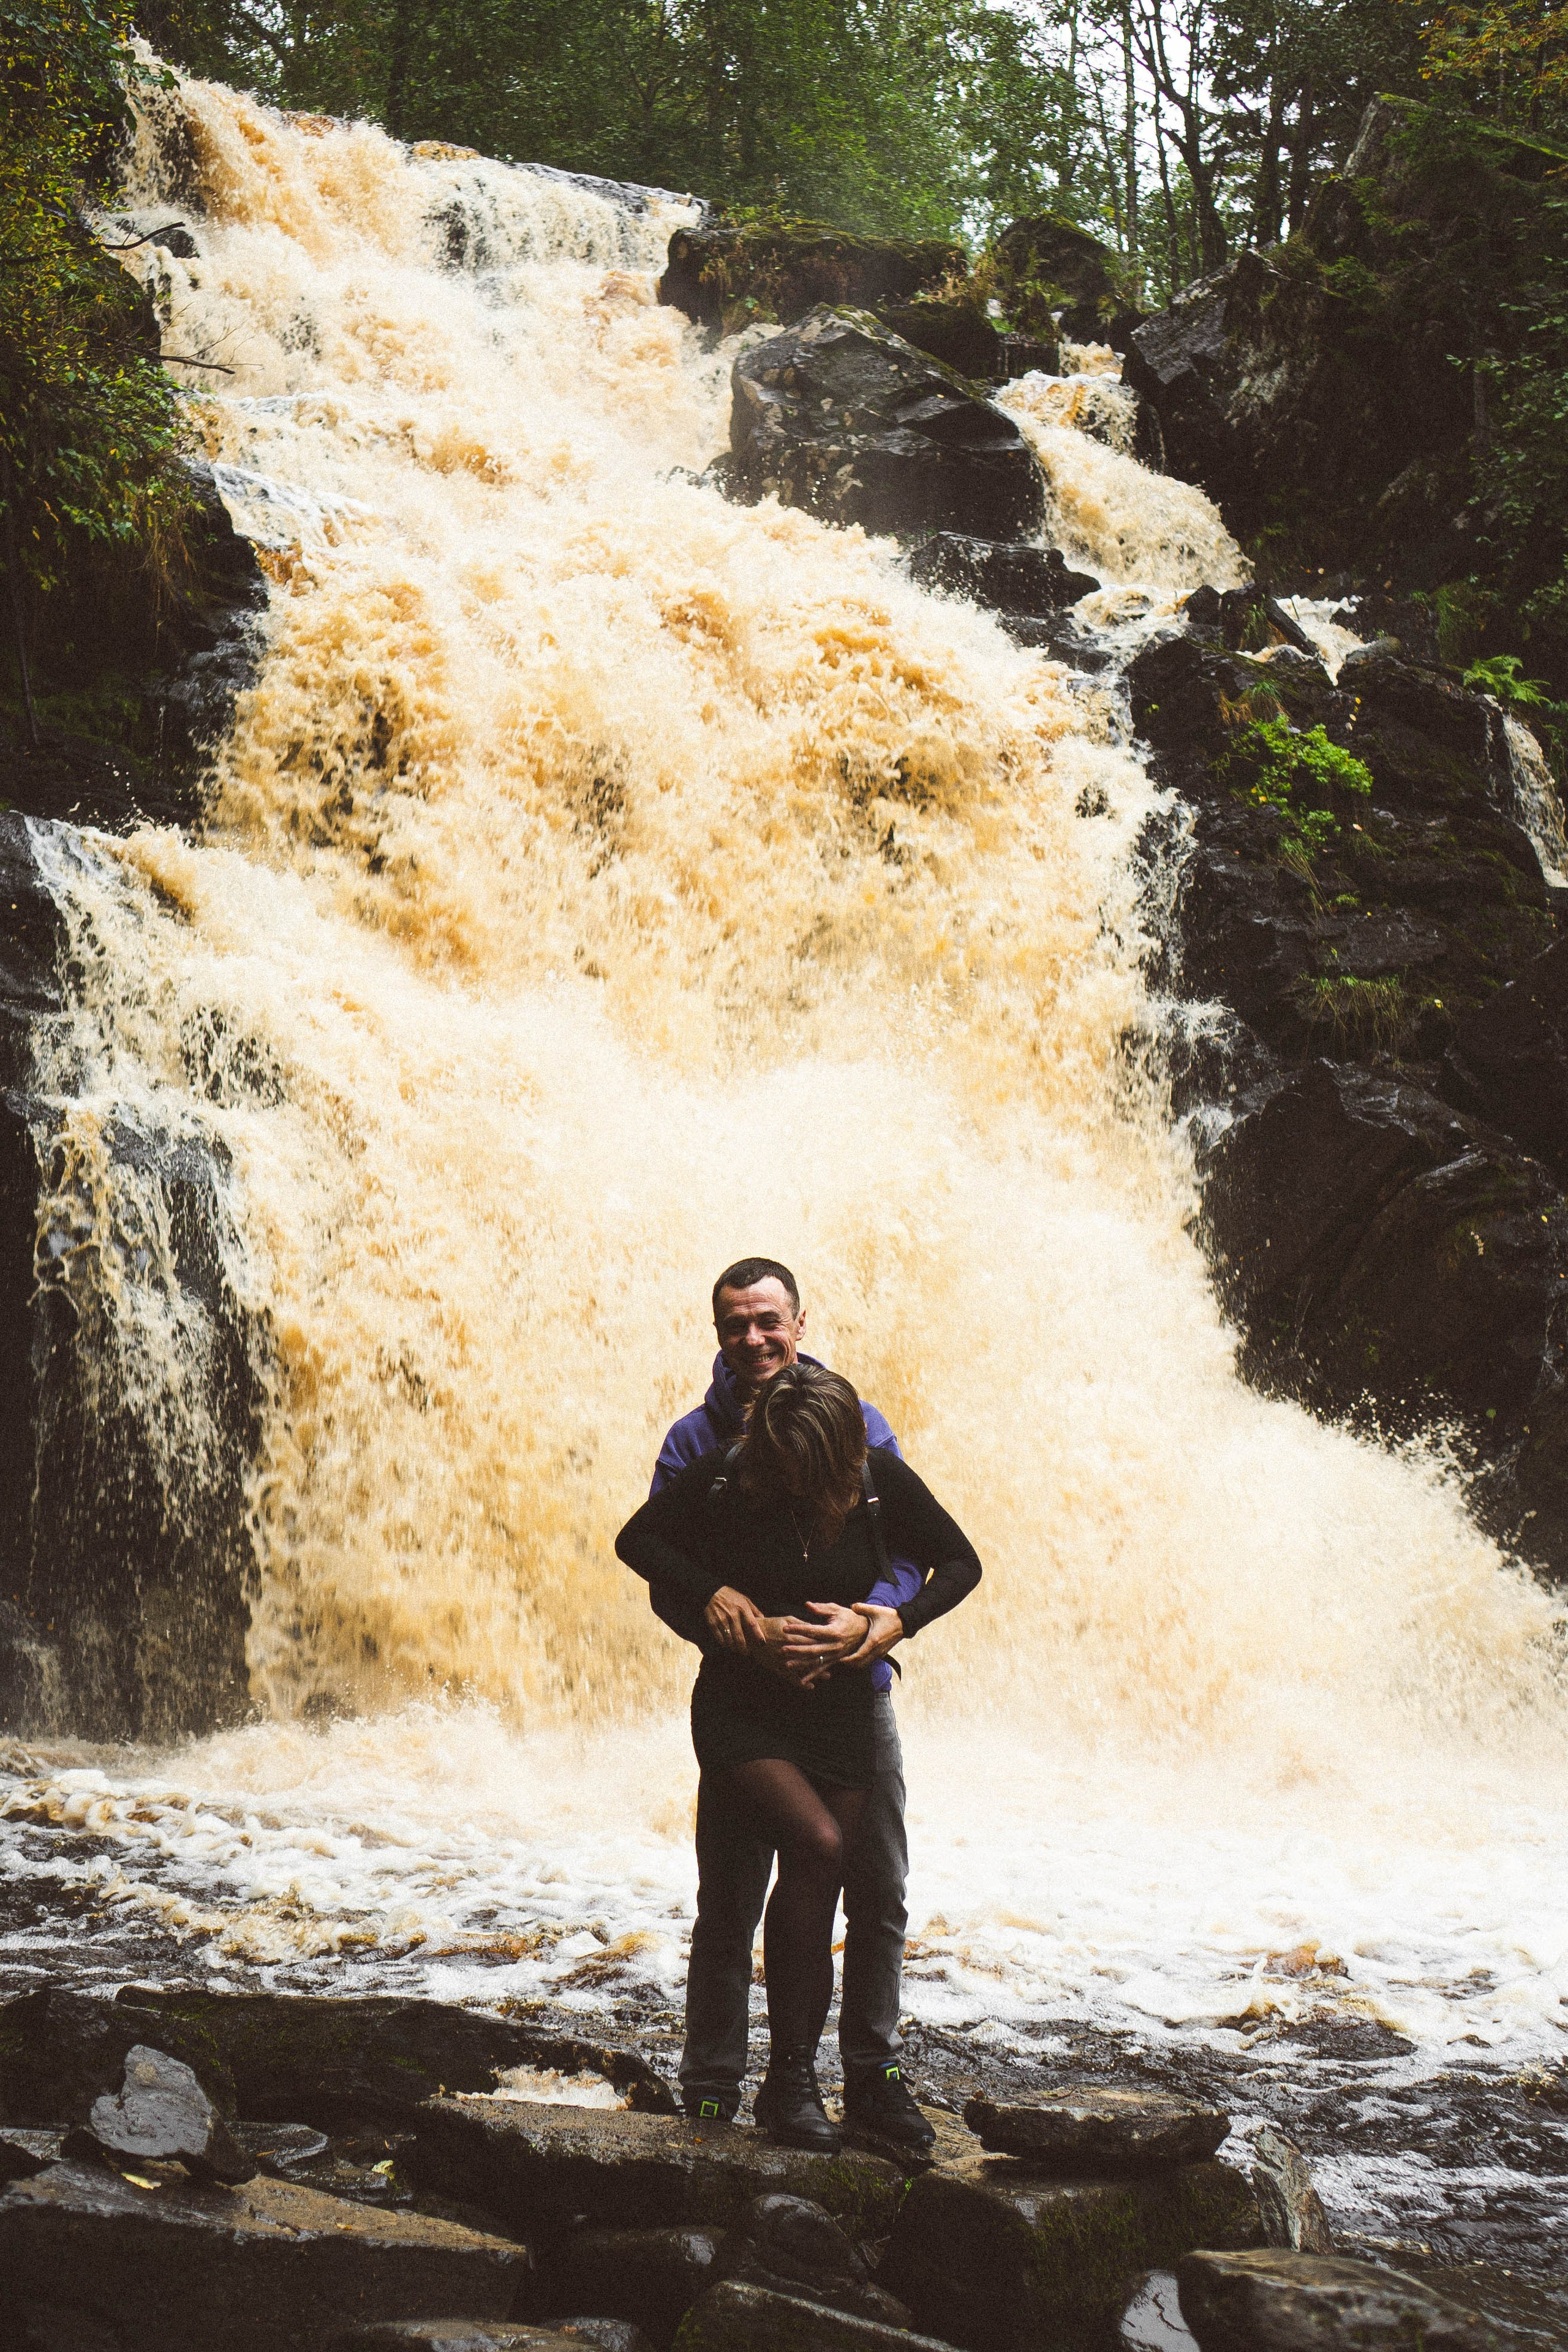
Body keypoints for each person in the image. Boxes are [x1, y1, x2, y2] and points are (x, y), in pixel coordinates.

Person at [617, 1359, 982, 2154]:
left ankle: (796, 2086)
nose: (789, 1482)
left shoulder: (872, 1474)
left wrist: (893, 1623)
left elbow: (961, 1563)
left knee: (838, 1880)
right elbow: (639, 1540)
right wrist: (712, 1594)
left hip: (845, 1707)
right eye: (777, 1466)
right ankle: (722, 2086)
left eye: (803, 1471)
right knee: (806, 1851)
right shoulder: (724, 1471)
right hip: (744, 1706)